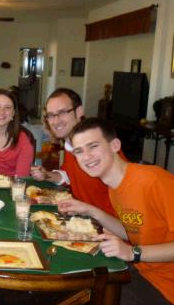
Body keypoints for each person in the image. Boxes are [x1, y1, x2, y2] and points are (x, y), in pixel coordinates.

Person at [58, 118, 174, 305]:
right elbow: (132, 231)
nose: (87, 157)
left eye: (93, 146)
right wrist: (90, 210)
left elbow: (133, 247)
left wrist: (133, 253)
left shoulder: (154, 181)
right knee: (76, 276)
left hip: (167, 293)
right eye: (79, 151)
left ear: (115, 146)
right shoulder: (115, 187)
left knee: (78, 297)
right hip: (143, 272)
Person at [30, 88, 120, 216]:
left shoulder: (100, 146)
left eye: (62, 112)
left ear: (79, 112)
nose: (56, 121)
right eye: (50, 115)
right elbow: (69, 175)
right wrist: (46, 175)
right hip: (83, 216)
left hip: (109, 225)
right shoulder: (69, 143)